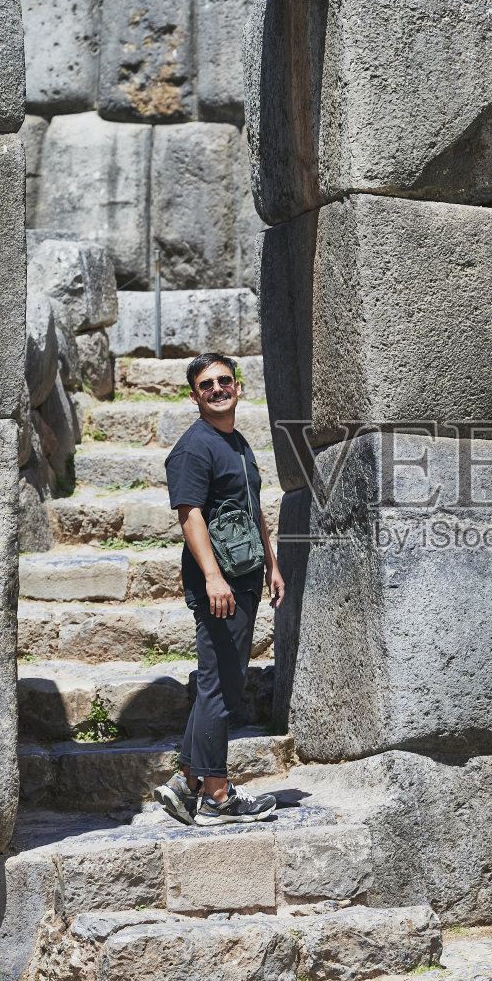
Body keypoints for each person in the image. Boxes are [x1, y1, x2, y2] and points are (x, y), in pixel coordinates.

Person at [153, 353, 286, 826]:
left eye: (223, 381)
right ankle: (216, 796)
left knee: (224, 683)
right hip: (220, 582)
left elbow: (252, 510)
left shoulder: (238, 443)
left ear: (237, 386)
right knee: (219, 688)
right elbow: (190, 515)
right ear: (194, 396)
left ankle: (184, 781)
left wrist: (272, 564)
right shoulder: (195, 448)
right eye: (206, 384)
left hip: (247, 574)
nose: (216, 389)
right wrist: (212, 577)